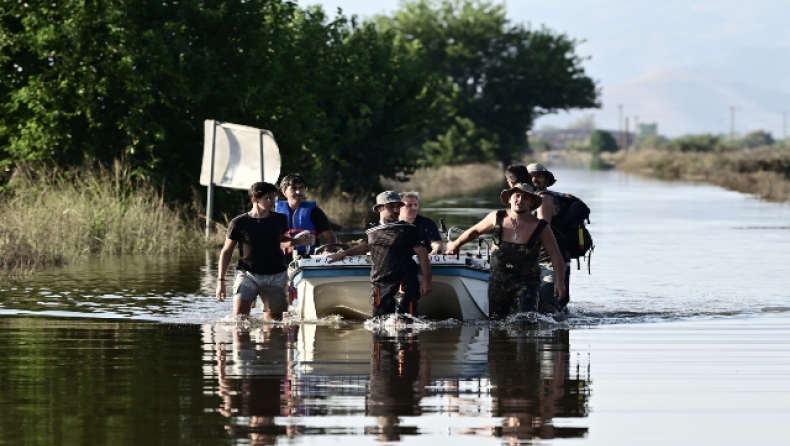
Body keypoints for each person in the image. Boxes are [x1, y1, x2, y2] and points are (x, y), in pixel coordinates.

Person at [445, 183, 566, 317]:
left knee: (525, 322)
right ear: (509, 199)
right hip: (498, 282)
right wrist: (456, 245)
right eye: (517, 196)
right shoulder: (497, 217)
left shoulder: (541, 227)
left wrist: (560, 282)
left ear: (531, 202)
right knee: (496, 323)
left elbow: (555, 255)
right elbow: (474, 231)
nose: (520, 200)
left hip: (527, 283)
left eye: (525, 197)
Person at [216, 181, 316, 320]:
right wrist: (221, 280)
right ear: (255, 200)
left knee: (274, 326)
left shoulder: (279, 219)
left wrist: (299, 241)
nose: (272, 202)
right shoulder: (239, 222)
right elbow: (226, 251)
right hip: (247, 274)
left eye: (274, 198)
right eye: (267, 198)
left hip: (276, 275)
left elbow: (280, 241)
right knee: (239, 319)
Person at [328, 191, 433, 317]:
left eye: (398, 206)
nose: (396, 210)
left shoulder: (409, 229)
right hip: (379, 285)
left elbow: (423, 255)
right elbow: (366, 246)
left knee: (405, 326)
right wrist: (343, 254)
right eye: (391, 206)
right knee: (379, 326)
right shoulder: (371, 231)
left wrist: (427, 281)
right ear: (379, 208)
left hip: (404, 283)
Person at [527, 163, 571, 310]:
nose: (534, 179)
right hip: (541, 261)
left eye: (538, 176)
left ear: (547, 180)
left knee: (548, 306)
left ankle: (553, 332)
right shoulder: (529, 201)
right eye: (531, 176)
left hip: (551, 263)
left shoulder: (544, 199)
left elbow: (541, 229)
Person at [275, 173, 337, 258]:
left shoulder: (314, 211)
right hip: (280, 259)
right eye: (293, 188)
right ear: (284, 192)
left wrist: (325, 254)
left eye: (301, 188)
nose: (298, 192)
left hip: (308, 259)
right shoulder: (275, 212)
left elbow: (331, 238)